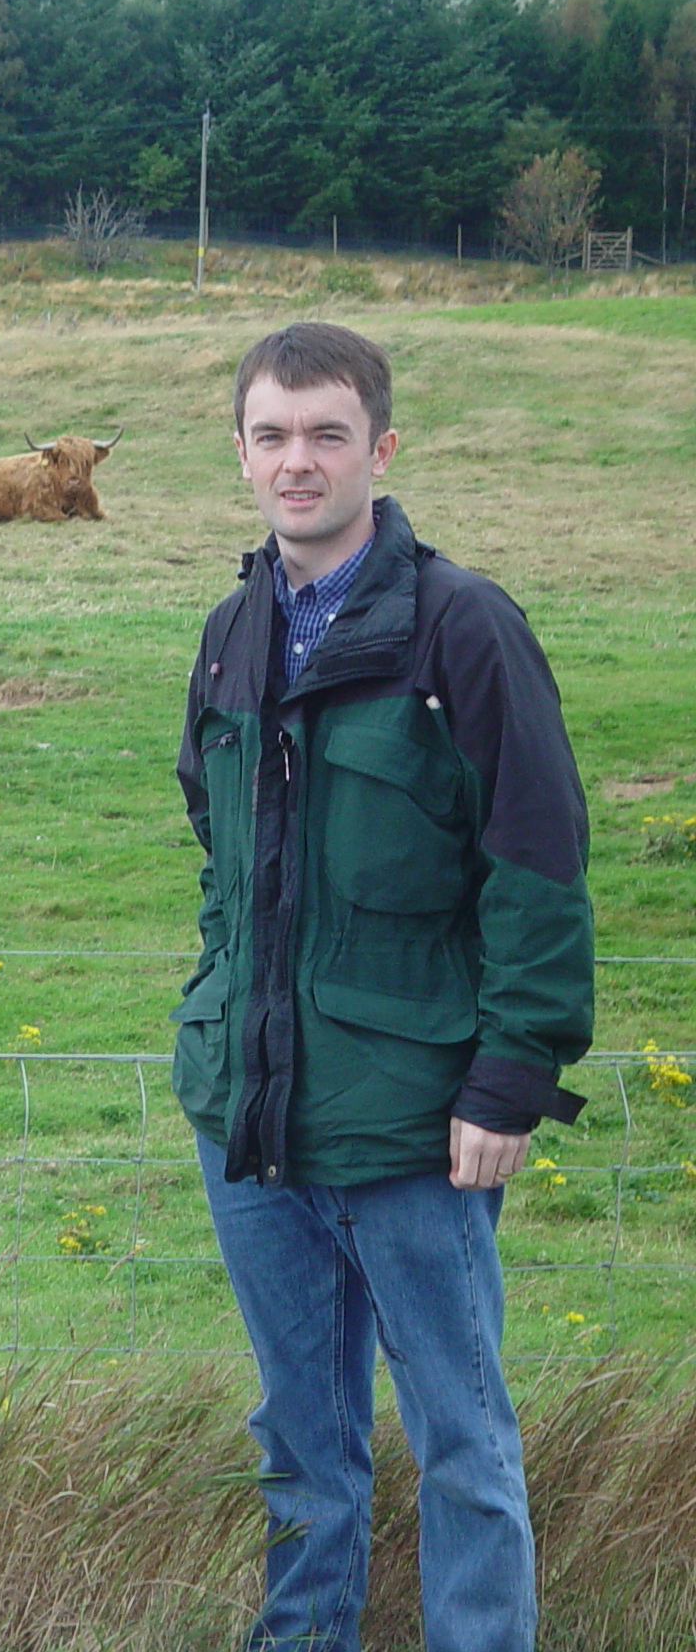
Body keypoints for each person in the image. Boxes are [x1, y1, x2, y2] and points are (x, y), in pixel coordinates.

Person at [173, 321, 595, 1652]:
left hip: (419, 1124)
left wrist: (511, 1075)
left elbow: (537, 862)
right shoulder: (234, 629)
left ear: (381, 449)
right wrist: (219, 1017)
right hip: (255, 1122)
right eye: (273, 435)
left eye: (327, 434)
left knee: (463, 1444)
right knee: (303, 1441)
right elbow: (221, 850)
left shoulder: (463, 630)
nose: (298, 461)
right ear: (240, 454)